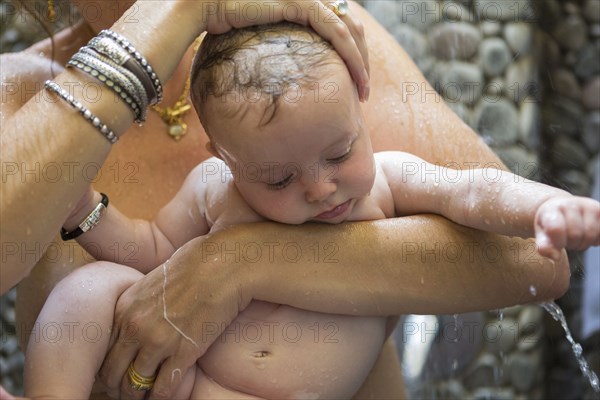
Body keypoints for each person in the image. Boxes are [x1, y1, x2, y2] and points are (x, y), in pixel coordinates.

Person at [1, 0, 570, 398]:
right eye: (274, 180)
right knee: (88, 289)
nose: (320, 188)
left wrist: (238, 264)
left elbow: (530, 261)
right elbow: (144, 249)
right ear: (219, 152)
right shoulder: (19, 96)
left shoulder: (305, 48)